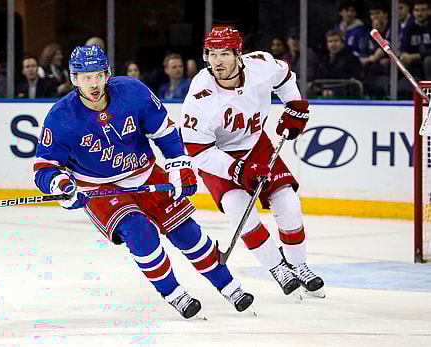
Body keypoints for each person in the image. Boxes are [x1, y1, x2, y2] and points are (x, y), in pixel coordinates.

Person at [33, 44, 254, 319]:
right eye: (86, 77)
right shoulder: (61, 117)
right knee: (140, 233)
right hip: (101, 189)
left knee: (186, 232)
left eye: (98, 75)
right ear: (74, 78)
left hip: (147, 175)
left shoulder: (132, 92)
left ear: (108, 74)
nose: (93, 83)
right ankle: (174, 294)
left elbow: (164, 132)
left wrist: (179, 165)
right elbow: (44, 167)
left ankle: (230, 287)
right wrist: (61, 185)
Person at [180, 26, 325, 299]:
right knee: (241, 214)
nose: (217, 61)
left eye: (224, 54)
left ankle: (298, 264)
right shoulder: (200, 97)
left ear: (238, 54)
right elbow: (198, 151)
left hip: (257, 146)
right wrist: (237, 170)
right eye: (212, 54)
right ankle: (276, 267)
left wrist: (294, 106)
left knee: (289, 205)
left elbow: (285, 78)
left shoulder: (260, 65)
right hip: (219, 158)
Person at [314, 30, 363, 98]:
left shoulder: (351, 59)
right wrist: (322, 90)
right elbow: (317, 79)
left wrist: (335, 91)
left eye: (336, 41)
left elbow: (354, 81)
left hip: (345, 97)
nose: (333, 44)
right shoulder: (322, 60)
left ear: (342, 43)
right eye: (330, 41)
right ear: (327, 45)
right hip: (324, 95)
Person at [400, 0, 431, 80]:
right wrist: (404, 55)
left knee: (428, 61)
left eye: (423, 10)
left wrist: (419, 56)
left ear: (429, 11)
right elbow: (404, 46)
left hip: (427, 60)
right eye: (417, 10)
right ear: (413, 12)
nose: (420, 14)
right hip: (414, 61)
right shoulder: (409, 26)